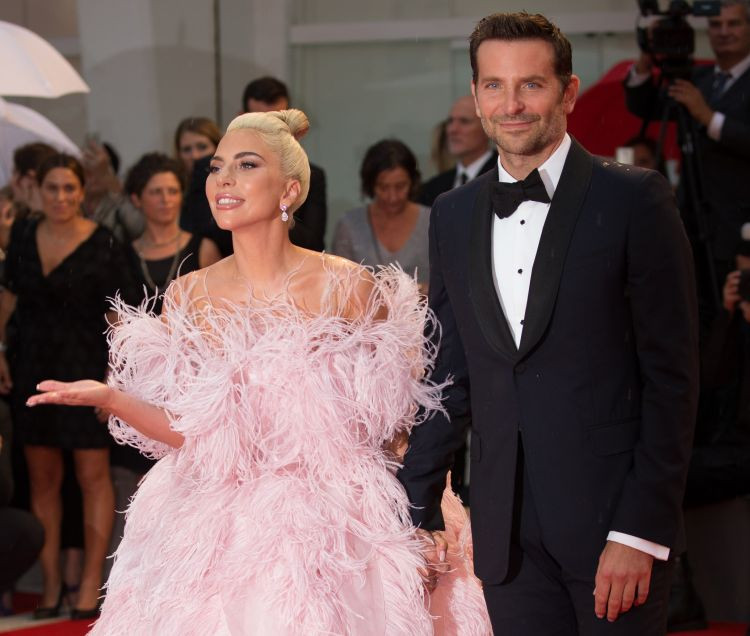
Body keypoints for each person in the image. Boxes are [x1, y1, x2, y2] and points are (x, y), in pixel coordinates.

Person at [26, 110, 490, 634]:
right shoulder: (188, 296)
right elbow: (190, 431)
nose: (223, 179)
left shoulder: (346, 287)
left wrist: (421, 518)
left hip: (339, 522)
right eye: (216, 167)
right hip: (215, 525)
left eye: (246, 165)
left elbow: (402, 422)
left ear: (290, 189)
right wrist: (112, 399)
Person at [398, 12, 699, 635]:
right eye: (494, 85)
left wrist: (640, 530)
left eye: (531, 85)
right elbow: (450, 371)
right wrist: (415, 506)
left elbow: (673, 380)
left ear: (568, 92)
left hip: (613, 529)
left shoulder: (635, 199)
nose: (511, 105)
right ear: (476, 93)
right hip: (505, 537)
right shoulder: (452, 213)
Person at [0, 154, 133, 619]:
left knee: (92, 477)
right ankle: (52, 586)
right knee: (42, 479)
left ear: (82, 192)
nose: (61, 197)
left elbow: (119, 317)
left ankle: (89, 586)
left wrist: (115, 380)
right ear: (39, 191)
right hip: (32, 368)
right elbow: (8, 300)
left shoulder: (105, 242)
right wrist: (0, 350)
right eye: (52, 188)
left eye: (69, 188)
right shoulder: (23, 235)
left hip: (86, 370)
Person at [624, 0, 750, 305]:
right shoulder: (696, 78)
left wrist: (708, 117)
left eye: (733, 24)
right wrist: (646, 59)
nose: (724, 32)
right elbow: (645, 107)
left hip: (739, 229)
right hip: (690, 221)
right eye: (716, 24)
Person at [331, 139, 430, 292]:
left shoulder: (431, 222)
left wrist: (420, 290)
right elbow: (338, 286)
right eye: (383, 187)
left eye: (400, 186)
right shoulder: (349, 226)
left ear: (412, 182)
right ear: (371, 185)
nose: (392, 197)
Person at [242, 76, 327, 251]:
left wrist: (275, 208)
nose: (271, 132)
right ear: (241, 119)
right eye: (260, 123)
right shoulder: (220, 172)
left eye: (278, 122)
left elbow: (313, 243)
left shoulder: (310, 176)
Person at [419, 96, 495, 207]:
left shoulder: (506, 177)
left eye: (464, 121)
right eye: (450, 121)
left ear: (487, 127)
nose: (452, 129)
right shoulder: (433, 188)